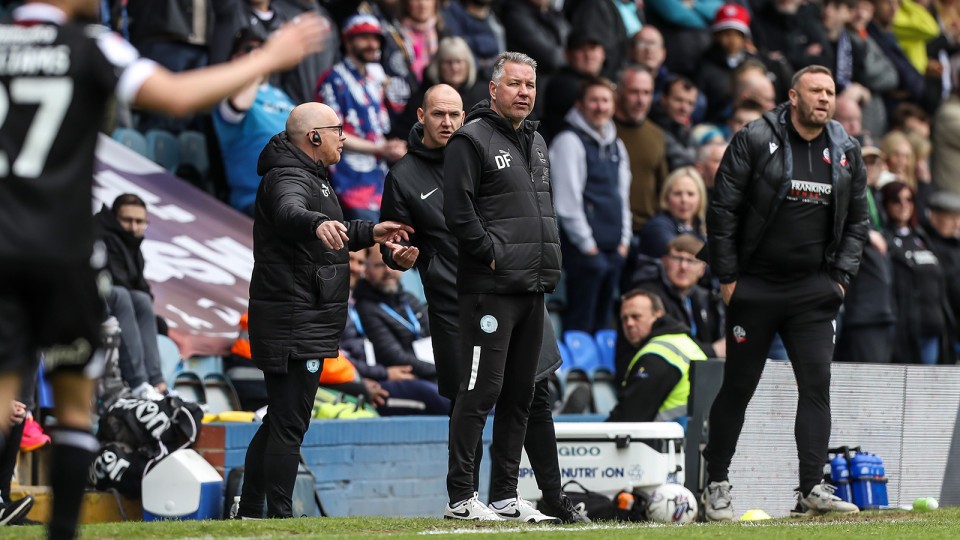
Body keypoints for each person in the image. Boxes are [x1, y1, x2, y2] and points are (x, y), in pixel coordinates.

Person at [0, 3, 325, 538]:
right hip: (62, 246)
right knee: (75, 406)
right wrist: (268, 57)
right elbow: (174, 96)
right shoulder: (93, 44)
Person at [379, 83, 585, 522]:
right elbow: (391, 242)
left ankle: (545, 496)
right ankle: (464, 497)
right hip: (457, 304)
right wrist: (399, 256)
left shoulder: (487, 147)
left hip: (517, 290)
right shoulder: (404, 176)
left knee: (533, 393)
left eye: (455, 114)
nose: (449, 123)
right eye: (439, 114)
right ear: (421, 116)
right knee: (469, 397)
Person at [700, 66, 866, 520]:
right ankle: (715, 483)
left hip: (813, 292)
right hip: (754, 287)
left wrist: (840, 280)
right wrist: (728, 278)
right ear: (793, 96)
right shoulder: (755, 137)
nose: (825, 99)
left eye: (831, 92)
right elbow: (723, 209)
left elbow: (858, 222)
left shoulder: (846, 148)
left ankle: (811, 488)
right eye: (816, 91)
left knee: (817, 387)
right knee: (739, 386)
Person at [236, 102, 414, 519]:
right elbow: (289, 212)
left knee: (281, 420)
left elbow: (328, 232)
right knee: (289, 422)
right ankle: (278, 517)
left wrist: (371, 231)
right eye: (337, 129)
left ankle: (250, 511)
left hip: (302, 317)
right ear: (314, 137)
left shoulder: (311, 175)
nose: (344, 137)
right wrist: (315, 223)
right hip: (293, 318)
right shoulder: (287, 176)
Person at [442, 52, 562, 522]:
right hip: (489, 287)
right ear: (494, 89)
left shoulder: (537, 142)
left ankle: (505, 496)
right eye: (514, 84)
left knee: (521, 394)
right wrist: (491, 251)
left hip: (532, 287)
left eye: (530, 85)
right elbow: (458, 212)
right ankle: (460, 497)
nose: (524, 93)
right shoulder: (470, 139)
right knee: (479, 390)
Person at [550, 77, 631, 334]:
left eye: (605, 100)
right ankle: (576, 372)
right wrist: (588, 247)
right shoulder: (569, 141)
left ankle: (603, 373)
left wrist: (624, 242)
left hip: (613, 250)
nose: (600, 106)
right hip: (583, 252)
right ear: (580, 104)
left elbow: (623, 197)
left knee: (604, 319)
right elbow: (567, 202)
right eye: (593, 100)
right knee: (580, 321)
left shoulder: (617, 145)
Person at [315, 14, 407, 222]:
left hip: (378, 181)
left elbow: (378, 130)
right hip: (347, 183)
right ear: (347, 41)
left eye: (376, 39)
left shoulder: (374, 82)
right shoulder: (333, 79)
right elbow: (330, 133)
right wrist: (380, 149)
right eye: (364, 37)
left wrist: (391, 147)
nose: (372, 44)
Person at [94, 194, 166, 401]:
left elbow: (140, 286)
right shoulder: (100, 235)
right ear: (114, 218)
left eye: (139, 221)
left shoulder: (131, 244)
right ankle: (138, 383)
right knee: (122, 295)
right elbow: (112, 279)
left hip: (114, 298)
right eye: (127, 220)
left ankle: (157, 383)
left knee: (142, 300)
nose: (133, 227)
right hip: (85, 298)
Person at [607, 289, 708, 425]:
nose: (629, 324)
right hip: (694, 436)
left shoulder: (656, 355)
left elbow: (629, 419)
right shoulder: (682, 340)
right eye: (624, 318)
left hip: (670, 441)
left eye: (636, 316)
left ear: (658, 316)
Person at [880, 181, 954, 364]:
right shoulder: (883, 239)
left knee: (928, 389)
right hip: (905, 330)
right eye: (896, 200)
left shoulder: (922, 237)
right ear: (886, 204)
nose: (903, 205)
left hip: (934, 328)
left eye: (909, 199)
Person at [631, 235, 725, 358]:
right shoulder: (648, 296)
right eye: (677, 259)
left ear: (702, 269)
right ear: (664, 261)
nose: (683, 267)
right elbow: (666, 345)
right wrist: (712, 350)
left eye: (691, 261)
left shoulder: (704, 297)